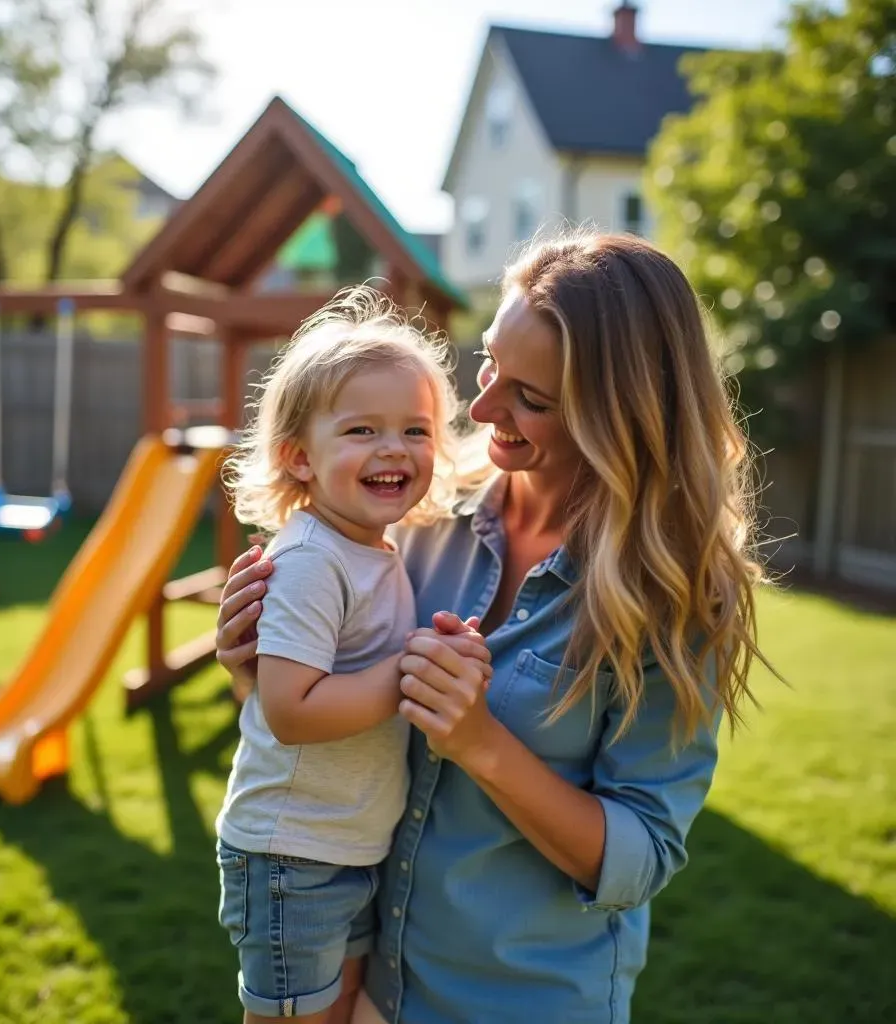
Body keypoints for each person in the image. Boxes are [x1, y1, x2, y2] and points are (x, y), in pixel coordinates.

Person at [216, 233, 768, 1024]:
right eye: (487, 366)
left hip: (514, 1000)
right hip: (372, 982)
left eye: (530, 400)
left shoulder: (673, 594)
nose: (478, 411)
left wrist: (480, 744)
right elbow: (328, 703)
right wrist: (258, 673)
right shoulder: (422, 510)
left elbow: (640, 858)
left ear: (620, 416)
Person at [214, 288, 492, 1024]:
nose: (394, 448)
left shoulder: (375, 548)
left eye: (416, 428)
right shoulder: (312, 559)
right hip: (290, 855)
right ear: (300, 459)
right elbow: (291, 710)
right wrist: (412, 669)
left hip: (347, 842)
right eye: (362, 429)